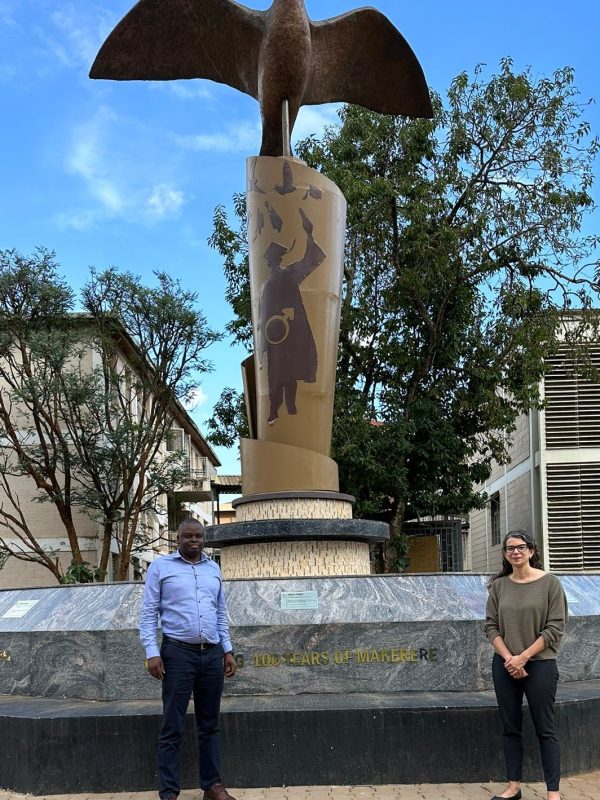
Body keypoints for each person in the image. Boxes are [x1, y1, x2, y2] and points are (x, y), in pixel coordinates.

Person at [140, 518, 237, 800]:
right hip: (177, 654)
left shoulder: (213, 569)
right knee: (173, 725)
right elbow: (148, 614)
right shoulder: (161, 567)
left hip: (212, 654)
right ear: (178, 538)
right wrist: (152, 652)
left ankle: (212, 786)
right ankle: (169, 792)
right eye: (187, 536)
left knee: (209, 725)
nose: (193, 540)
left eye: (198, 536)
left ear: (203, 539)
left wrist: (227, 650)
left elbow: (220, 613)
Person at [484, 530, 568, 800]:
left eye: (521, 547)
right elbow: (490, 626)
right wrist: (510, 658)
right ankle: (513, 786)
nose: (515, 552)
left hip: (540, 666)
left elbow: (555, 627)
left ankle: (553, 792)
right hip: (505, 665)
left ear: (532, 551)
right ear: (505, 554)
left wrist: (523, 658)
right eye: (510, 549)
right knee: (511, 727)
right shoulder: (498, 586)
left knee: (546, 728)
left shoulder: (550, 584)